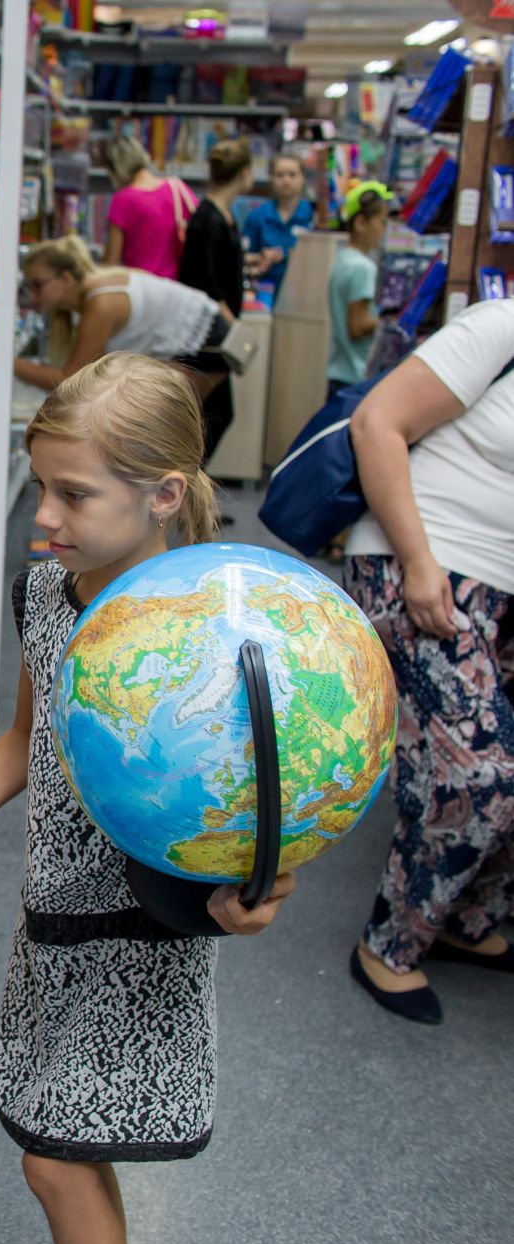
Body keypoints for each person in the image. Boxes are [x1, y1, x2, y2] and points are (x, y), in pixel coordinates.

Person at [0, 353, 298, 1244]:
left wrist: (266, 885)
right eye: (42, 486)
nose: (43, 516)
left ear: (165, 494)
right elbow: (24, 738)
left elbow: (276, 784)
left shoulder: (212, 623)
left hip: (147, 927)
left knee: (54, 1158)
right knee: (71, 1147)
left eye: (74, 495)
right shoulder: (47, 592)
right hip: (52, 919)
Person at [343, 297, 514, 1025]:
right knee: (477, 775)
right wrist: (418, 562)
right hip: (423, 568)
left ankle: (462, 917)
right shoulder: (502, 326)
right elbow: (377, 423)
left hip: (502, 594)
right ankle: (388, 943)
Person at [13, 237, 232, 461]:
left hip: (203, 344)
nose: (31, 294)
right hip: (201, 337)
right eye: (27, 286)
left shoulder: (101, 304)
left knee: (174, 438)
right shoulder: (98, 287)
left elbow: (68, 380)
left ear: (66, 278)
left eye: (37, 285)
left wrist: (6, 362)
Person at [177, 137, 253, 460]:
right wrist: (231, 324)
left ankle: (192, 492)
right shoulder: (207, 218)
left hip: (217, 329)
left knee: (215, 414)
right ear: (245, 173)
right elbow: (204, 281)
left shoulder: (223, 215)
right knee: (207, 414)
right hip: (208, 333)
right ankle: (188, 491)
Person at [103, 136, 195, 280]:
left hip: (141, 289)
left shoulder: (123, 200)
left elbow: (110, 263)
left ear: (115, 168)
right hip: (178, 289)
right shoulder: (178, 189)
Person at [329, 181, 390, 398]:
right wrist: (391, 320)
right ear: (361, 222)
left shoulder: (342, 259)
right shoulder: (362, 268)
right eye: (381, 222)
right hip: (354, 376)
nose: (384, 230)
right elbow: (357, 326)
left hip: (339, 372)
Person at [242, 153, 314, 300]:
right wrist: (261, 257)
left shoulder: (314, 216)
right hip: (265, 296)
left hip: (305, 295)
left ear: (302, 179)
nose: (286, 180)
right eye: (279, 175)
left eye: (292, 175)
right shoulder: (257, 216)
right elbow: (243, 256)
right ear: (271, 179)